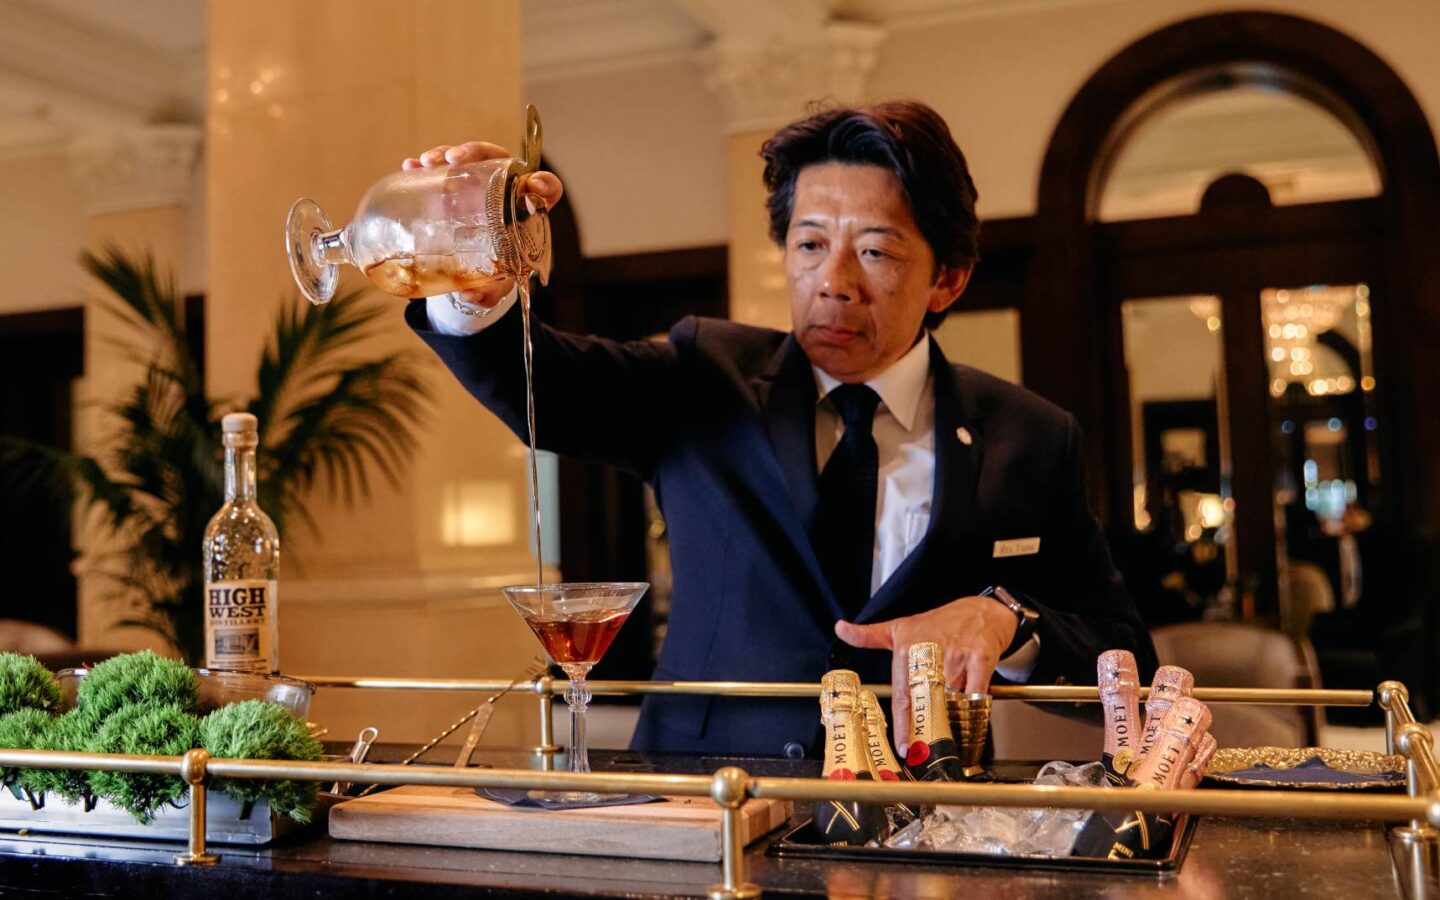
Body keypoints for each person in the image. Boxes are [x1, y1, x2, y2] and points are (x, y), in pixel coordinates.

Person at [402, 101, 1157, 757]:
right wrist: (474, 284)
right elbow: (544, 382)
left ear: (947, 279)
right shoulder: (706, 376)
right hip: (706, 807)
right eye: (809, 244)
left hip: (923, 821)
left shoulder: (1031, 437)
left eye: (875, 250)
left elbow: (1126, 658)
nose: (834, 280)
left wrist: (1009, 620)